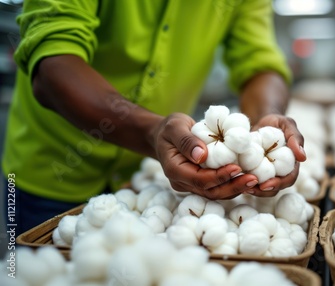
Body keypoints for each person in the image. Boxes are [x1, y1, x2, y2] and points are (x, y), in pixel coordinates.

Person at [1, 0, 306, 234]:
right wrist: (151, 132)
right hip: (51, 173)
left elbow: (258, 61)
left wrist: (266, 123)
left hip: (149, 181)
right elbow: (53, 65)